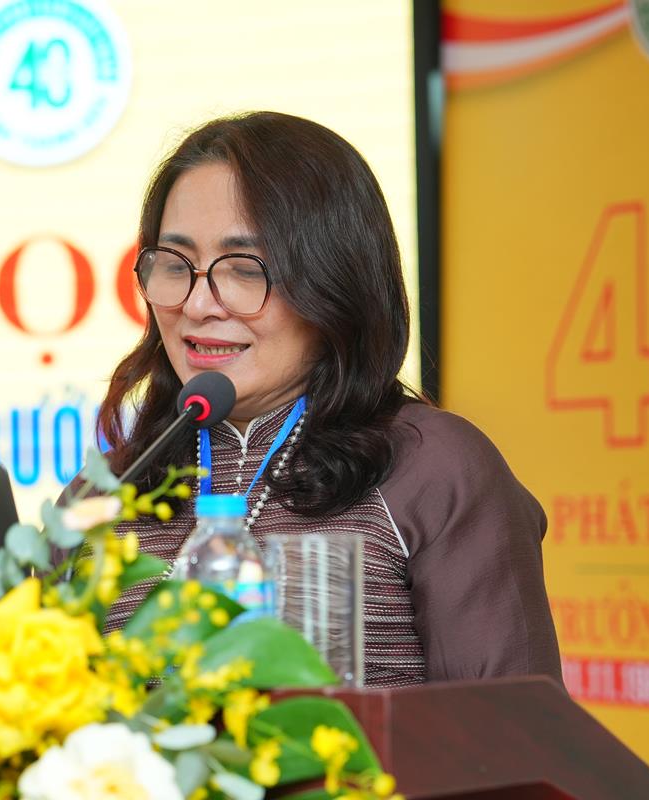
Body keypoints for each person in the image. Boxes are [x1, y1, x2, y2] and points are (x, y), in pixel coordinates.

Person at [92, 111, 561, 688]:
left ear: (334, 283)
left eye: (243, 269)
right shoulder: (106, 493)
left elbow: (513, 730)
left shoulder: (432, 468)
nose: (197, 305)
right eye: (174, 265)